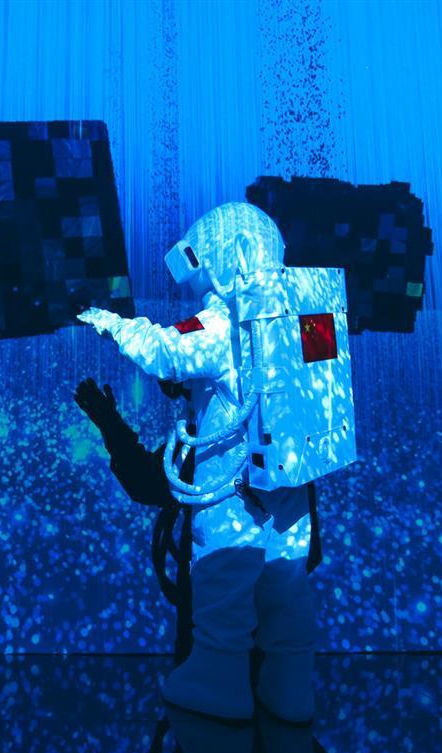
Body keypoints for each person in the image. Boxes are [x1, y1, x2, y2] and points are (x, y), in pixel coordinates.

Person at [77, 203, 318, 723]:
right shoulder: (302, 316)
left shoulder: (222, 320)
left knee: (224, 578)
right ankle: (290, 689)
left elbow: (166, 352)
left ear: (223, 256)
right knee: (286, 588)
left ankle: (217, 682)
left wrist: (111, 323)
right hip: (290, 481)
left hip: (231, 486)